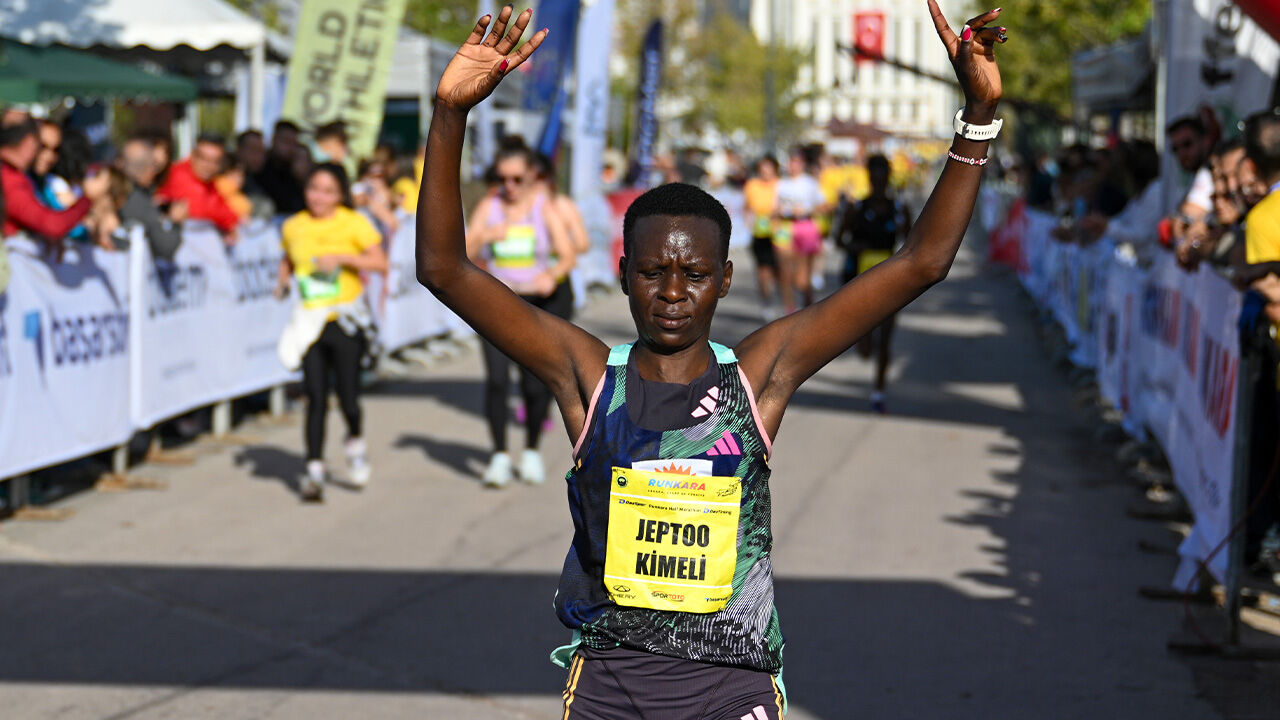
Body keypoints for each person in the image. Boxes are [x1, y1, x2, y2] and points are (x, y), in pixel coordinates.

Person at [415, 4, 1005, 717]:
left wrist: (976, 115)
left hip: (731, 692)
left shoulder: (758, 376)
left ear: (724, 280)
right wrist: (449, 115)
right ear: (624, 270)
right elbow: (445, 269)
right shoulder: (588, 378)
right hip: (610, 692)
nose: (671, 294)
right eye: (652, 273)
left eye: (693, 275)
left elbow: (922, 263)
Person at [464, 139, 576, 488]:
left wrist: (551, 276)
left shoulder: (544, 206)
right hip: (497, 305)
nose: (509, 187)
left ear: (531, 176)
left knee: (534, 384)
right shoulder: (490, 205)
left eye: (516, 179)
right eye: (502, 179)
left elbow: (568, 254)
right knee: (497, 381)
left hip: (535, 307)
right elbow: (462, 251)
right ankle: (498, 456)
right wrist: (484, 234)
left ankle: (530, 451)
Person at [274, 163, 388, 501]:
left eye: (327, 190)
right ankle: (314, 470)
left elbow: (380, 263)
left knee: (349, 398)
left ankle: (354, 441)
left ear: (340, 194)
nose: (319, 197)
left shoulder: (354, 223)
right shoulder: (294, 225)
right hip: (309, 320)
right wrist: (282, 279)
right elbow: (288, 259)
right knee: (316, 398)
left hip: (345, 318)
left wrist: (342, 258)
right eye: (313, 188)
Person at [833, 154, 913, 414]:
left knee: (886, 338)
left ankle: (878, 392)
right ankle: (867, 343)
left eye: (883, 177)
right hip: (859, 279)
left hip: (889, 281)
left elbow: (912, 244)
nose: (879, 183)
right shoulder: (856, 208)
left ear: (889, 177)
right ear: (869, 178)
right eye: (874, 178)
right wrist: (855, 246)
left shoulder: (899, 209)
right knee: (866, 348)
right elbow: (838, 239)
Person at [0, 117, 108, 245]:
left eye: (56, 150)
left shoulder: (36, 182)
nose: (49, 156)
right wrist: (87, 198)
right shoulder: (9, 178)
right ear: (28, 141)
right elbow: (52, 225)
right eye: (42, 145)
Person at [156, 133, 241, 243]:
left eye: (215, 161)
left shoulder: (212, 185)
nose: (208, 166)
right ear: (193, 155)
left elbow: (225, 215)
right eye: (204, 159)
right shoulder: (172, 175)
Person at [114, 136, 185, 261]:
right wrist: (174, 222)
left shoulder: (112, 189)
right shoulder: (136, 200)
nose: (156, 173)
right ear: (148, 169)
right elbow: (166, 246)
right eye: (155, 167)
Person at [774, 145, 828, 308]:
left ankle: (808, 306)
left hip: (805, 226)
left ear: (802, 163)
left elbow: (825, 205)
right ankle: (789, 309)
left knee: (802, 277)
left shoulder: (810, 183)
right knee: (784, 271)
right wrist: (781, 212)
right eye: (791, 161)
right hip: (785, 226)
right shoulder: (781, 183)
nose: (793, 165)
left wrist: (807, 209)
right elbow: (774, 207)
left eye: (797, 161)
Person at [743, 155, 787, 318]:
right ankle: (767, 301)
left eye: (769, 168)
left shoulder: (782, 185)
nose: (765, 172)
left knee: (781, 270)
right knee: (763, 270)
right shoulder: (752, 185)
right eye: (762, 169)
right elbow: (746, 207)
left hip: (781, 232)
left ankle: (786, 303)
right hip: (760, 232)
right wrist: (748, 223)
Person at [255, 120, 308, 215]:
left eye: (294, 143)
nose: (290, 148)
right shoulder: (260, 167)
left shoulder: (294, 170)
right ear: (274, 139)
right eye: (286, 141)